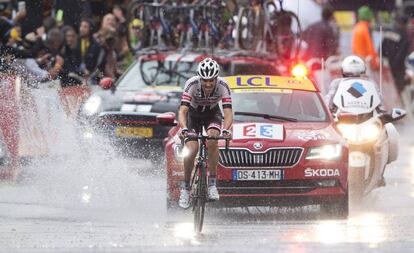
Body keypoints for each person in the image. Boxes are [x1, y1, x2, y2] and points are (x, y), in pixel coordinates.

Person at [178, 58, 233, 209]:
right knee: (191, 148)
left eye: (211, 80)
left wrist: (227, 129)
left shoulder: (223, 86)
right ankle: (186, 187)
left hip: (212, 114)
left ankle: (212, 184)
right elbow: (183, 111)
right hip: (193, 116)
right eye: (205, 81)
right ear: (200, 78)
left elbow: (228, 112)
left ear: (216, 78)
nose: (208, 84)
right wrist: (183, 128)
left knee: (213, 138)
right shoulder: (191, 84)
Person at [382, 15, 411, 94]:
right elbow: (401, 54)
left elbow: (381, 48)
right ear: (404, 24)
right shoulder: (404, 36)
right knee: (398, 89)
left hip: (385, 66)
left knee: (385, 88)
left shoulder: (388, 32)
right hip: (397, 68)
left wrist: (384, 61)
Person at [352, 5, 379, 70]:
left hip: (357, 62)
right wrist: (375, 64)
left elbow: (354, 48)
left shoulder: (356, 27)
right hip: (366, 63)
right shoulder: (366, 29)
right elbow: (370, 47)